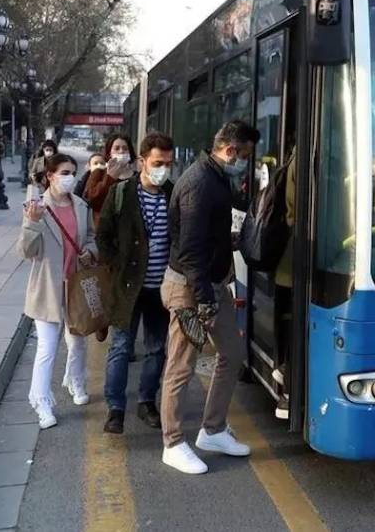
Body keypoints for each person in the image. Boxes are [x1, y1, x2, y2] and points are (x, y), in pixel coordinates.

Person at [159, 120, 260, 475]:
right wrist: (203, 301)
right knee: (181, 367)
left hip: (211, 285)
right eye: (245, 155)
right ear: (230, 151)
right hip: (191, 289)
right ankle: (172, 443)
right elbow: (189, 251)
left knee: (231, 354)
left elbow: (205, 237)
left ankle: (212, 430)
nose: (245, 163)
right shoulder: (200, 183)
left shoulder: (215, 177)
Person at [97, 132, 175, 434]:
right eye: (158, 162)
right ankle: (115, 408)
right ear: (142, 160)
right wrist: (118, 265)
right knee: (120, 346)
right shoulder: (121, 194)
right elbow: (103, 236)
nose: (163, 169)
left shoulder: (173, 193)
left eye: (168, 163)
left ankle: (146, 402)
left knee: (156, 349)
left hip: (161, 288)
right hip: (127, 287)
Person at [17, 153, 98, 429]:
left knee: (77, 340)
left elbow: (90, 238)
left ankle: (75, 380)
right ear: (50, 176)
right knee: (47, 347)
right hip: (48, 288)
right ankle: (41, 401)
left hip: (75, 284)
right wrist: (31, 222)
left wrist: (90, 252)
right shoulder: (37, 207)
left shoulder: (80, 205)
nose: (69, 177)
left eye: (72, 172)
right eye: (64, 172)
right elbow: (26, 252)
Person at [272, 146, 297, 420]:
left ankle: (284, 370)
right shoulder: (310, 155)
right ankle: (287, 391)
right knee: (296, 326)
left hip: (288, 264)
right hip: (295, 263)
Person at [81, 133, 137, 229]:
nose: (121, 151)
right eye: (117, 148)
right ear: (109, 152)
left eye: (125, 148)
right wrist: (110, 178)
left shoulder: (137, 177)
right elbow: (90, 200)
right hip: (105, 230)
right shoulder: (99, 173)